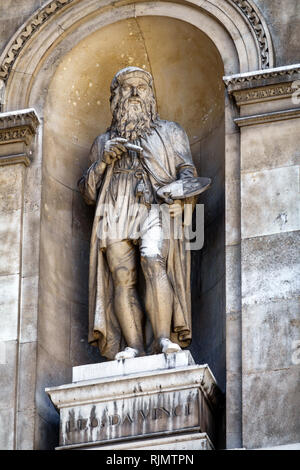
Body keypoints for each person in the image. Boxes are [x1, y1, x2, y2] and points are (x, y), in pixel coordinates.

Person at [78, 66, 197, 360]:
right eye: (127, 87)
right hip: (114, 206)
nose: (134, 93)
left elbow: (188, 172)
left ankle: (162, 338)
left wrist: (179, 188)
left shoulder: (171, 132)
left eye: (140, 88)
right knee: (121, 274)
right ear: (115, 98)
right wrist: (103, 162)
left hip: (155, 203)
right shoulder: (102, 141)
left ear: (151, 97)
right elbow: (88, 192)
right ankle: (133, 346)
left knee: (153, 259)